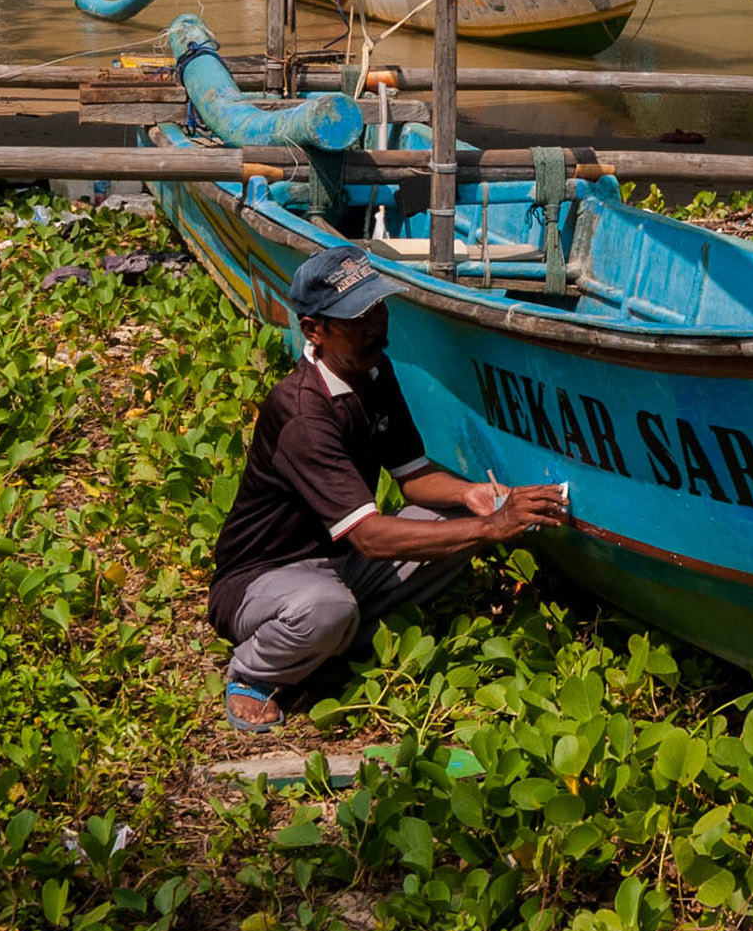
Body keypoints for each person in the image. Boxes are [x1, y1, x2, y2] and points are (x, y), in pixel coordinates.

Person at [205, 248, 567, 730]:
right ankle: (255, 672)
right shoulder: (302, 414)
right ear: (315, 330)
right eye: (357, 317)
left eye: (378, 307)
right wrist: (493, 526)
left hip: (341, 563)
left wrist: (470, 497)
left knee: (461, 521)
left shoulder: (373, 371)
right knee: (328, 606)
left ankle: (337, 639)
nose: (376, 324)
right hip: (264, 578)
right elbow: (371, 539)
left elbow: (413, 477)